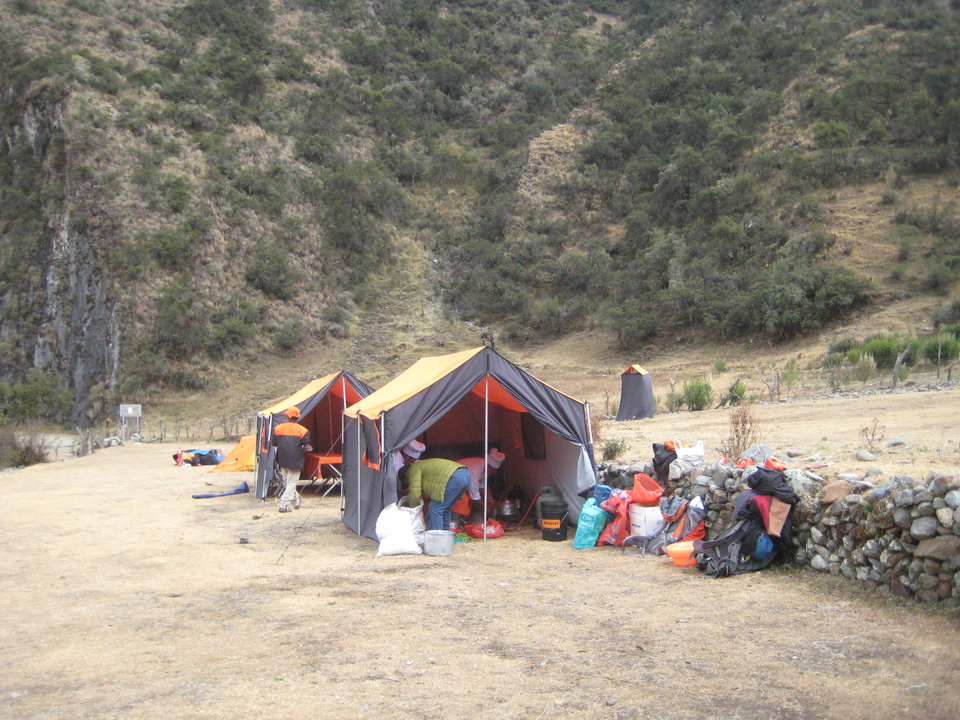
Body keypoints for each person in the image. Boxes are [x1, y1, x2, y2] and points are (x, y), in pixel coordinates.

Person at [399, 457, 472, 531]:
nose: (409, 484)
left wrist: (413, 509)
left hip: (455, 477)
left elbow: (415, 493)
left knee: (435, 508)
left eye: (406, 482)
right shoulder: (423, 466)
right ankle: (445, 535)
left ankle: (437, 537)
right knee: (446, 507)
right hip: (466, 475)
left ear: (405, 476)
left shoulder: (413, 469)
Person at [271, 407, 312, 513]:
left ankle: (296, 502)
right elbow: (306, 446)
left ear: (287, 416)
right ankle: (283, 505)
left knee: (288, 483)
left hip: (282, 459)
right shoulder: (303, 430)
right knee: (291, 483)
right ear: (297, 416)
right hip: (295, 460)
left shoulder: (278, 428)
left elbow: (274, 443)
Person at [458, 448, 506, 520]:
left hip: (462, 484)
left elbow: (481, 486)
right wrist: (486, 507)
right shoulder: (475, 470)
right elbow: (475, 496)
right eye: (494, 470)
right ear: (489, 467)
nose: (494, 473)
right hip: (453, 481)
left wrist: (487, 497)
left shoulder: (484, 469)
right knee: (463, 507)